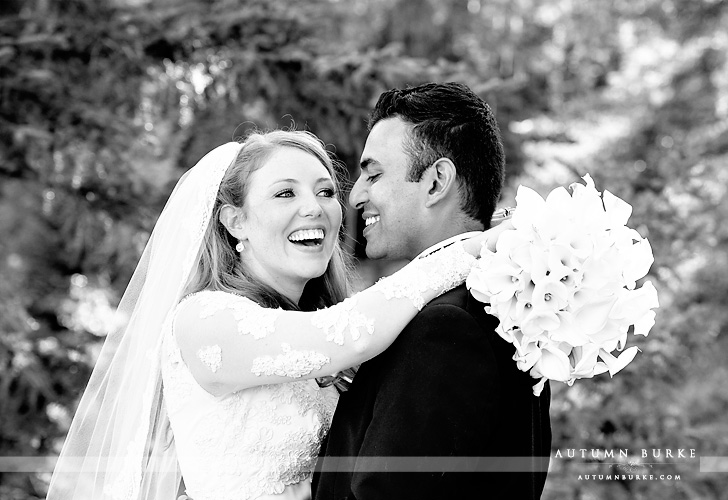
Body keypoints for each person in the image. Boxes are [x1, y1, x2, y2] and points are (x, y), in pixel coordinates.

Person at [45, 129, 504, 500]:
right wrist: (469, 250)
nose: (315, 208)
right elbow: (352, 333)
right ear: (234, 221)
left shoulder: (319, 326)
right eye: (285, 193)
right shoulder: (203, 320)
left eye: (325, 191)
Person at [312, 82, 552, 500]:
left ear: (436, 181)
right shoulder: (508, 313)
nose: (356, 196)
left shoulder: (445, 330)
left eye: (374, 174)